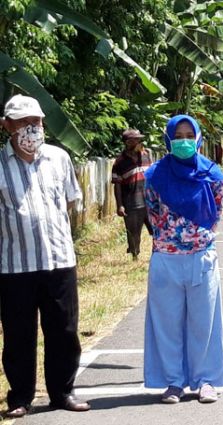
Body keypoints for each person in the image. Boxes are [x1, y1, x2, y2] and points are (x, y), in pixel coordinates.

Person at [0, 94, 90, 417]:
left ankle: (62, 392)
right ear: (6, 126)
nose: (31, 129)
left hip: (59, 261)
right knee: (19, 334)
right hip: (15, 265)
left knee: (64, 331)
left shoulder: (59, 158)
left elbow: (69, 203)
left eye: (36, 122)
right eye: (23, 123)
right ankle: (21, 398)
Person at [143, 114, 223, 404]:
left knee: (204, 322)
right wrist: (172, 239)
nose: (184, 141)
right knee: (167, 324)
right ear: (168, 139)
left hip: (201, 257)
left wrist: (194, 238)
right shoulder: (154, 175)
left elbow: (215, 213)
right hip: (166, 258)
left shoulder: (213, 175)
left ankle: (206, 381)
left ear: (199, 139)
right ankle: (174, 382)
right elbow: (152, 214)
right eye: (177, 136)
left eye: (189, 136)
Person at [111, 129, 153, 260]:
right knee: (134, 233)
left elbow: (153, 176)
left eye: (138, 139)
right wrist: (120, 206)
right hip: (131, 202)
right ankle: (135, 256)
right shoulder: (120, 162)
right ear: (126, 142)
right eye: (132, 140)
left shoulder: (147, 155)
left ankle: (159, 254)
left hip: (149, 200)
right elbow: (117, 184)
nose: (136, 142)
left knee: (157, 230)